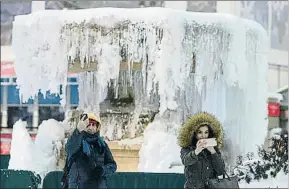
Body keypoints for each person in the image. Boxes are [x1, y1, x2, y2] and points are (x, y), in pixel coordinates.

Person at [61, 112, 117, 189]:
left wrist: (102, 170)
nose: (91, 127)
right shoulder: (77, 141)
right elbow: (69, 148)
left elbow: (112, 166)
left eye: (93, 124)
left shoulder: (102, 145)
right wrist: (78, 131)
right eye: (88, 125)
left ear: (97, 126)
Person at [178, 112, 226, 189]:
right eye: (200, 132)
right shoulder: (187, 148)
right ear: (194, 133)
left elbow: (221, 171)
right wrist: (196, 151)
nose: (203, 136)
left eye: (206, 132)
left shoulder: (214, 149)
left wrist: (213, 152)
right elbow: (185, 161)